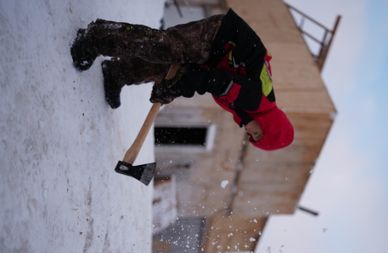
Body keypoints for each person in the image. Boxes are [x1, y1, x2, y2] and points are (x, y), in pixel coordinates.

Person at [70, 9, 294, 151]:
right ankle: (98, 36)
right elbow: (212, 81)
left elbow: (205, 79)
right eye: (257, 133)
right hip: (222, 36)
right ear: (268, 124)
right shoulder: (255, 100)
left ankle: (117, 72)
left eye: (252, 137)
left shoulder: (249, 111)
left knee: (169, 67)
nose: (249, 133)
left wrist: (172, 88)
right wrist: (178, 86)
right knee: (165, 47)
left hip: (218, 57)